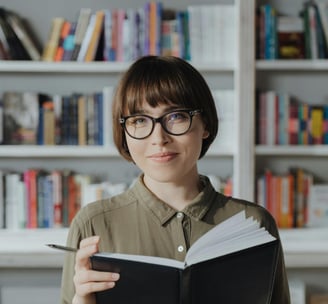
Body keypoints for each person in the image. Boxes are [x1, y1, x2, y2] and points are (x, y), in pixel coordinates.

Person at [60, 55, 290, 304]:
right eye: (139, 120)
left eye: (176, 116)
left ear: (205, 125)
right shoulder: (93, 224)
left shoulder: (254, 223)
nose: (159, 138)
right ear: (124, 132)